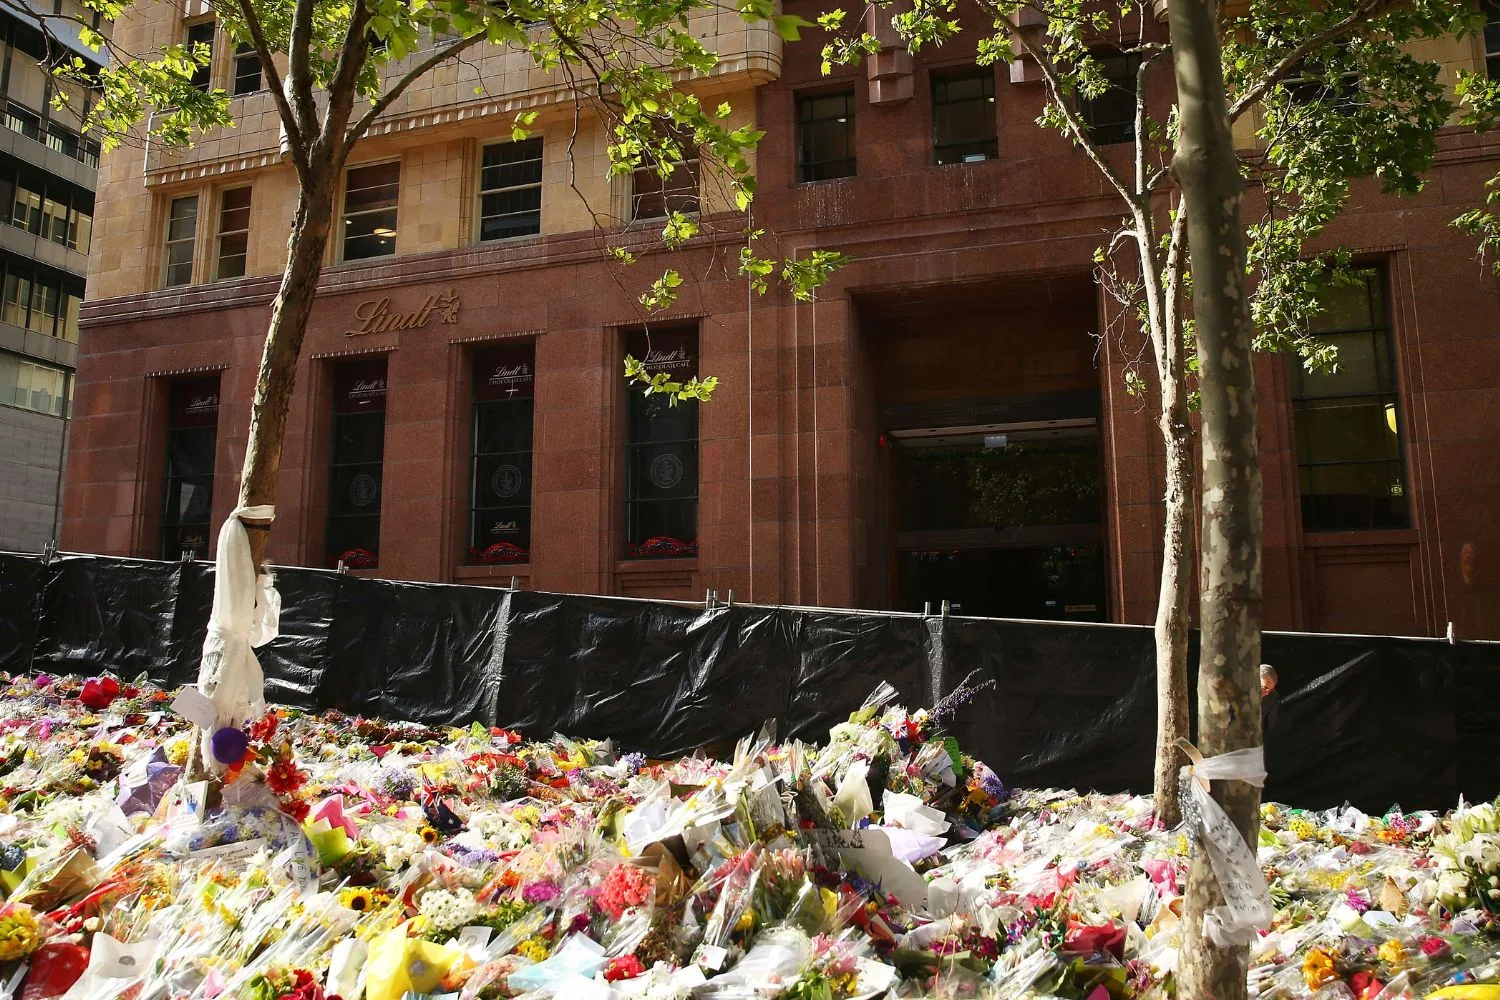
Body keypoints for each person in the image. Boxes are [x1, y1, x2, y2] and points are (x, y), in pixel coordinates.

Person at [1260, 664, 1279, 740]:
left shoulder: (1273, 697)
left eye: (1271, 689)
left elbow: (1271, 725)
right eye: (1265, 687)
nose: (1267, 693)